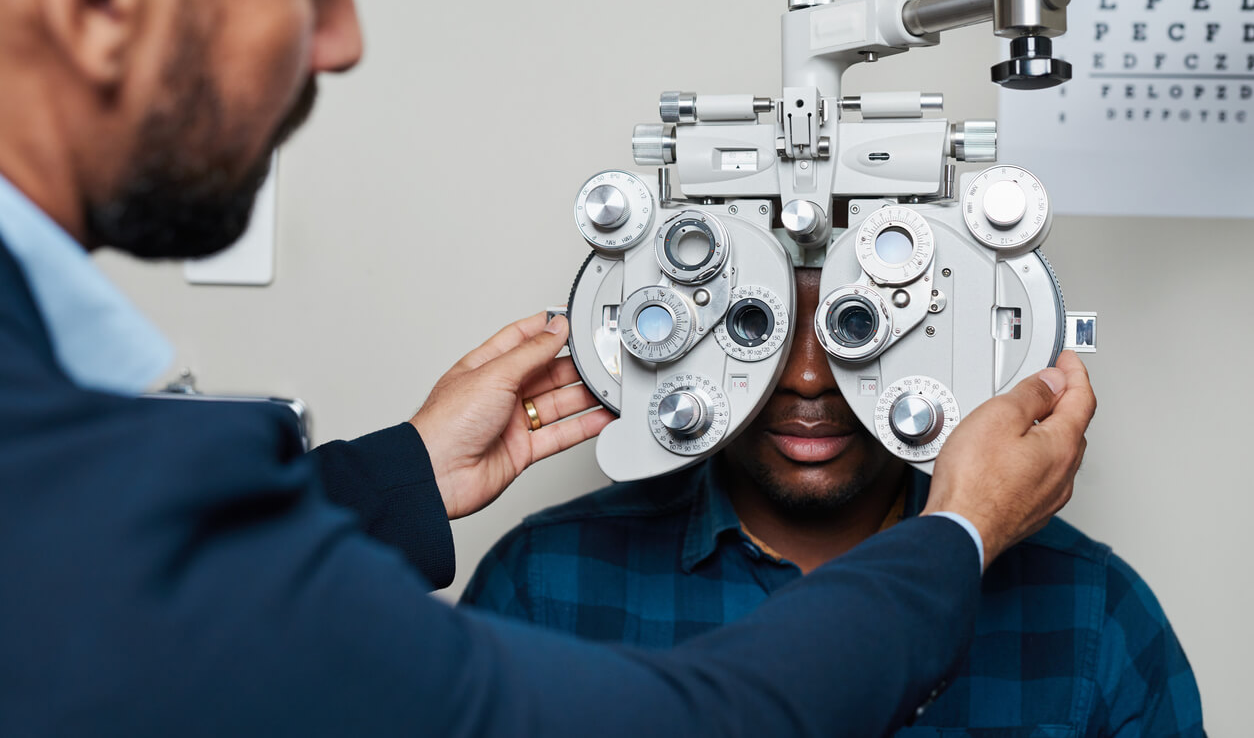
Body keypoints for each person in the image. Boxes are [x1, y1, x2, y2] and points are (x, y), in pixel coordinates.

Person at [0, 0, 1097, 735]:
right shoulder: (87, 481)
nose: (342, 37)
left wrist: (405, 473)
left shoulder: (64, 467)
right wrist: (956, 533)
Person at [463, 268, 1204, 736]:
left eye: (856, 326)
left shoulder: (1091, 611)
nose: (811, 378)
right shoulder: (546, 584)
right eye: (761, 328)